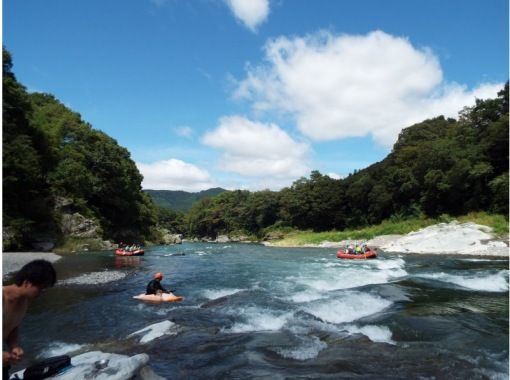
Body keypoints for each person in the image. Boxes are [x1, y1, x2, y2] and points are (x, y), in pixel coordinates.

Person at [3, 260, 57, 379]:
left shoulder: (23, 302)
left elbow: (12, 325)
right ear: (27, 283)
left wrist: (14, 346)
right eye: (41, 288)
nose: (42, 293)